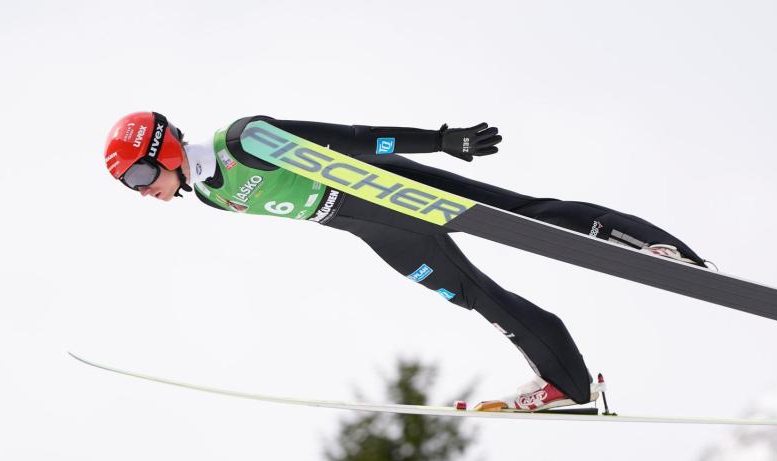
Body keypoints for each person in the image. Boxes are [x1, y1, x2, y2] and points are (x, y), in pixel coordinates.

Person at [103, 112, 709, 411]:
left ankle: (650, 247)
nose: (140, 190)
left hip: (381, 187)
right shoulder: (207, 195)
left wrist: (439, 140)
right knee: (474, 296)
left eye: (138, 173)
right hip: (366, 227)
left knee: (522, 214)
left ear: (166, 148)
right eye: (129, 186)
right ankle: (569, 385)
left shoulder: (245, 141)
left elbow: (349, 138)